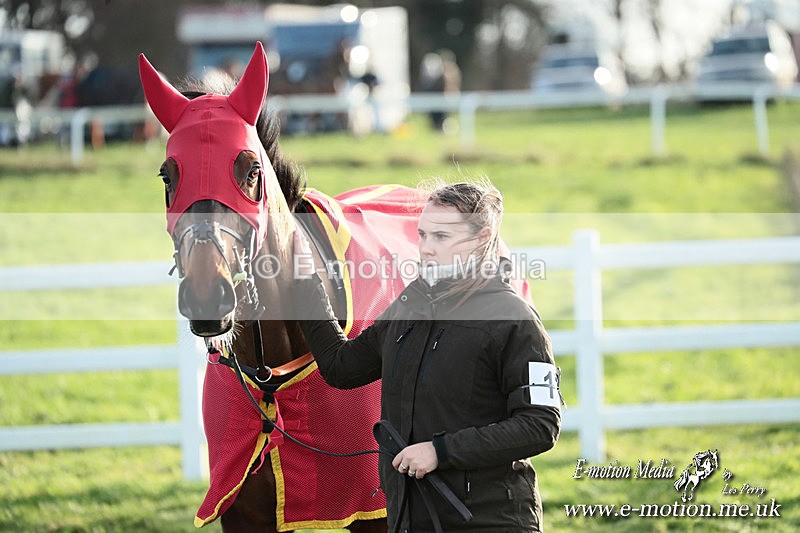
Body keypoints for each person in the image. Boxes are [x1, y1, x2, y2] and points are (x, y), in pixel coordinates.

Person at [291, 180, 561, 532]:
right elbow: (343, 368)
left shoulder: (514, 318)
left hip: (490, 521)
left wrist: (440, 451)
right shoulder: (410, 306)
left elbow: (540, 425)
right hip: (409, 518)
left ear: (481, 240)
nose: (426, 249)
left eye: (442, 237)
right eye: (422, 235)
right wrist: (306, 285)